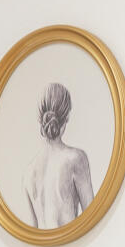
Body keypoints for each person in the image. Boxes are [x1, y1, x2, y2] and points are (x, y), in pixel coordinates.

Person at [24, 81, 94, 228]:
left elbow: (33, 233)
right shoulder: (77, 159)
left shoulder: (29, 172)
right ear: (67, 116)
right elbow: (92, 219)